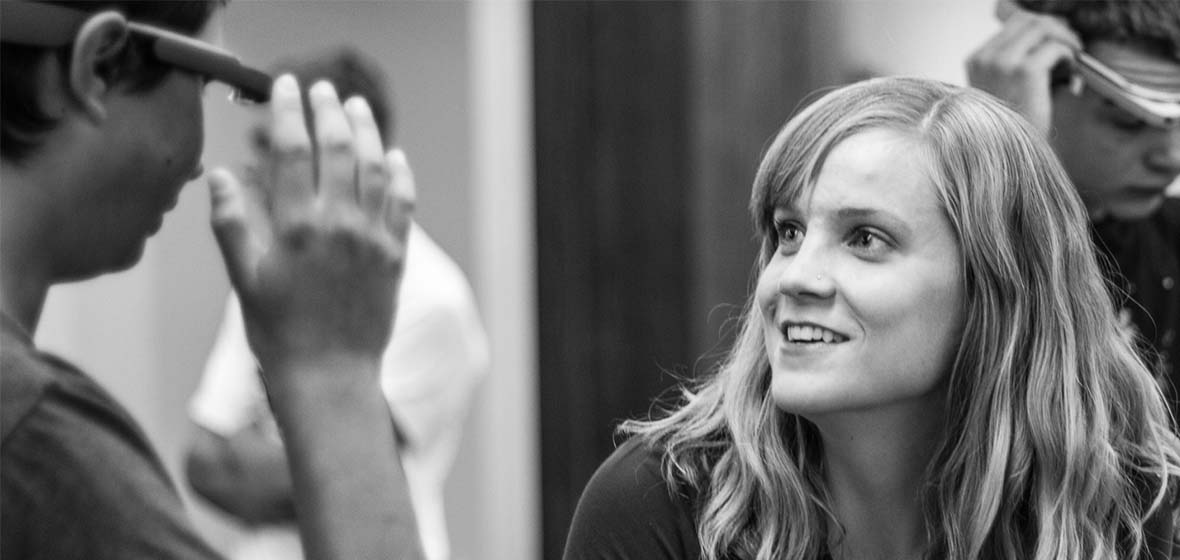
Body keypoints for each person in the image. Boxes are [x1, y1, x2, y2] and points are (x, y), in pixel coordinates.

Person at [564, 77, 1180, 559]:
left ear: (996, 289)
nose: (796, 277)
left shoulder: (1123, 500)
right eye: (789, 232)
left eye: (865, 239)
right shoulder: (658, 503)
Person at [1, 2, 422, 558]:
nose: (202, 163)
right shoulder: (38, 452)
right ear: (97, 66)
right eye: (203, 82)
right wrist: (333, 373)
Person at [183, 46, 489, 560]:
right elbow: (205, 462)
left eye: (272, 146)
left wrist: (270, 459)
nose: (252, 168)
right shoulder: (275, 271)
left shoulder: (435, 299)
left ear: (337, 150)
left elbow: (346, 474)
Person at [967, 0, 1180, 417]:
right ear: (1038, 88)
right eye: (1127, 120)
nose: (1170, 158)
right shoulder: (953, 245)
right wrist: (1002, 141)